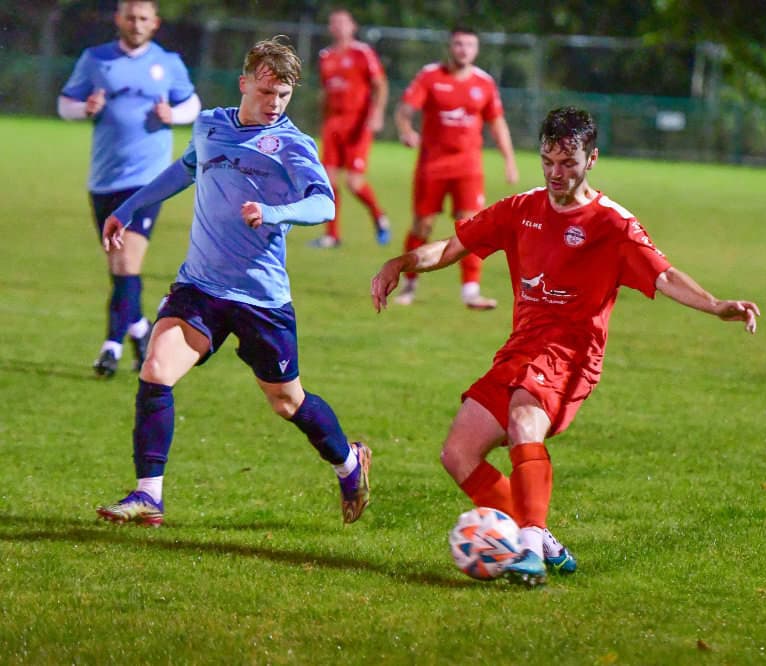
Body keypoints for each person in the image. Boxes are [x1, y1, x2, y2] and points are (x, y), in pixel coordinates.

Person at [372, 106, 760, 586]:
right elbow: (453, 247)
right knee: (458, 453)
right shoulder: (521, 210)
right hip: (520, 350)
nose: (556, 173)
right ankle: (539, 536)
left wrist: (716, 305)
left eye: (568, 163)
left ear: (591, 159)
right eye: (548, 161)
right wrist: (400, 263)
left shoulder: (612, 224)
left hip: (571, 355)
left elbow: (664, 276)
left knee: (524, 418)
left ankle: (529, 550)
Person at [96, 36, 371, 528]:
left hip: (261, 299)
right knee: (156, 369)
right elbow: (185, 170)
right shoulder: (210, 125)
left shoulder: (293, 145)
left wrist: (274, 212)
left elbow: (324, 203)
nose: (274, 103)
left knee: (286, 401)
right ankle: (148, 495)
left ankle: (349, 462)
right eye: (266, 92)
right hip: (200, 287)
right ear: (243, 83)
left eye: (283, 95)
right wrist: (129, 207)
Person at [58, 0, 201, 378]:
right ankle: (140, 330)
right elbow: (65, 103)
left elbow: (192, 105)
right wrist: (84, 109)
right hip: (104, 179)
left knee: (126, 263)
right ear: (118, 19)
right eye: (130, 17)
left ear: (155, 23)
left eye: (143, 19)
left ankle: (111, 347)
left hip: (148, 182)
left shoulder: (168, 63)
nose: (136, 24)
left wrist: (174, 115)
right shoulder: (96, 59)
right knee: (119, 267)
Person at [393, 26, 519, 310]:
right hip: (432, 164)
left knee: (471, 226)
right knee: (423, 225)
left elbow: (497, 123)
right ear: (450, 47)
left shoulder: (484, 83)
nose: (464, 50)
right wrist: (405, 130)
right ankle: (409, 283)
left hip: (468, 166)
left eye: (469, 45)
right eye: (459, 44)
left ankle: (471, 292)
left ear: (476, 49)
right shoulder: (430, 76)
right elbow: (404, 109)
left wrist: (509, 160)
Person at [308, 8, 391, 249]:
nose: (339, 27)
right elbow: (325, 92)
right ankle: (332, 235)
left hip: (357, 123)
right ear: (330, 28)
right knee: (328, 179)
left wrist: (377, 113)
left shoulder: (362, 52)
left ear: (353, 26)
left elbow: (380, 84)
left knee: (354, 183)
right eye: (334, 23)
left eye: (343, 22)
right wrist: (322, 120)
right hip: (333, 124)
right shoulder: (326, 56)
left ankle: (379, 216)